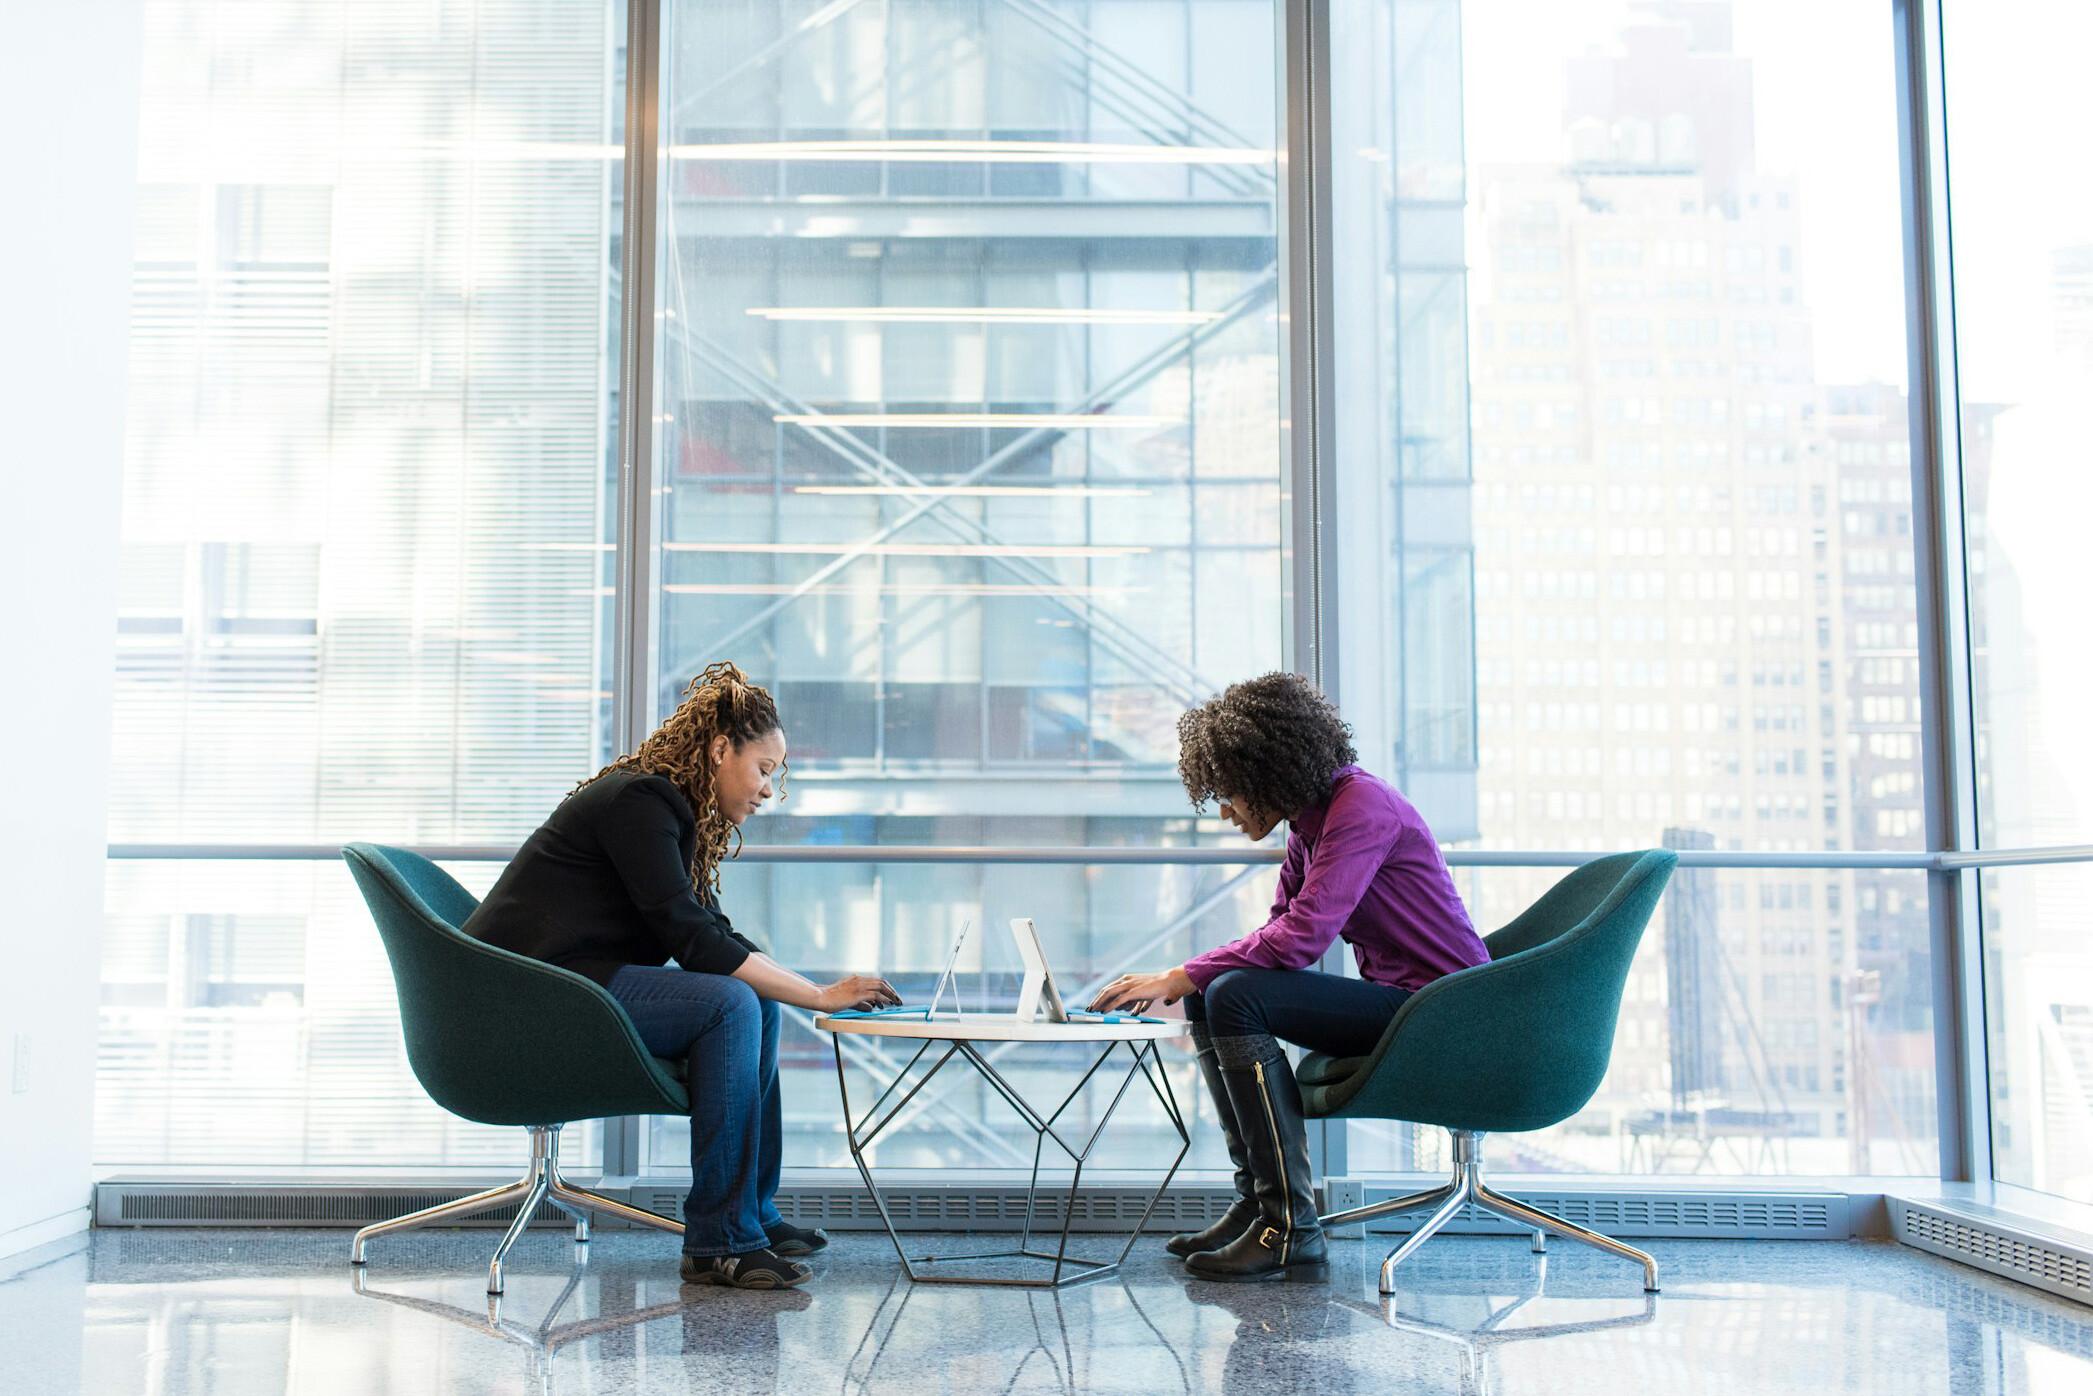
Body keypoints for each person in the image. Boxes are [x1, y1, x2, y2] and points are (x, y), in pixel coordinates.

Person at [465, 661, 900, 1290]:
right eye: (764, 770)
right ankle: (719, 1243)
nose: (768, 792)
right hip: (526, 994)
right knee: (730, 1002)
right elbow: (694, 944)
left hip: (572, 982)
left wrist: (810, 989)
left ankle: (751, 1215)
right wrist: (817, 997)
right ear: (721, 749)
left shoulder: (669, 809)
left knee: (752, 998)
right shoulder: (641, 801)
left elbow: (712, 933)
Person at [1090, 671, 1489, 1283]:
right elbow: (1280, 926)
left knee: (1231, 991)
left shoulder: (1361, 808)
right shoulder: (1313, 822)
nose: (1224, 811)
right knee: (1215, 993)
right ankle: (1259, 1206)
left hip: (1444, 1010)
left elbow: (1302, 939)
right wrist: (1187, 980)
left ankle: (1290, 1227)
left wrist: (1179, 974)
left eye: (1229, 794)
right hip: (1406, 1002)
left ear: (1267, 775)